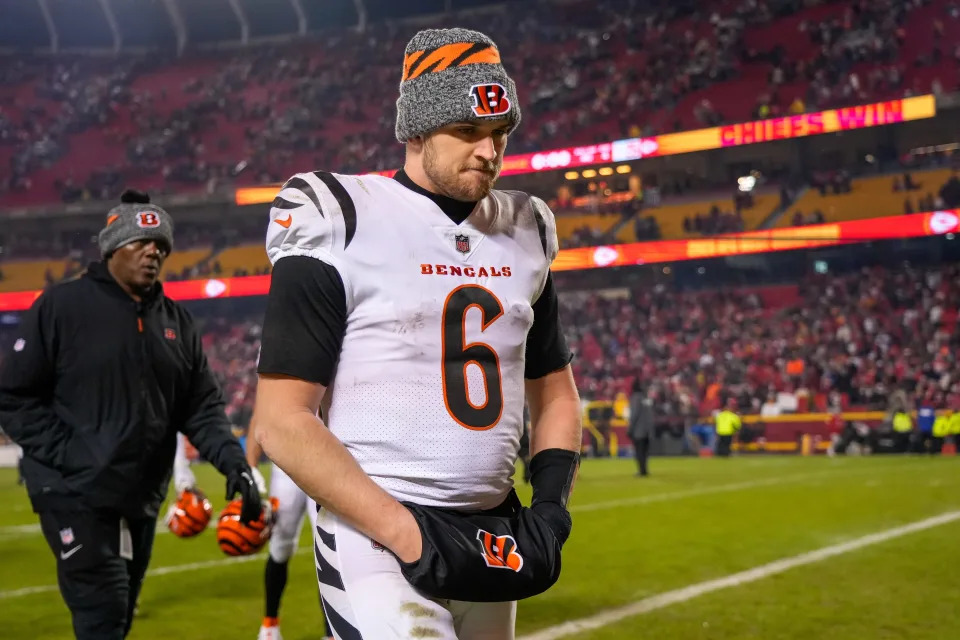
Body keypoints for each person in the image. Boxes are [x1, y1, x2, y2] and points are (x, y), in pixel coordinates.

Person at [253, 27, 582, 639]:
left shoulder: (526, 230)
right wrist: (406, 532)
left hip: (493, 531)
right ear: (417, 128)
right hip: (376, 533)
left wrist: (552, 511)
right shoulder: (340, 216)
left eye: (500, 133)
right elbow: (281, 420)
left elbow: (556, 393)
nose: (489, 150)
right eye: (467, 131)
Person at [0, 190, 263, 640]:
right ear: (112, 248)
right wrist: (72, 453)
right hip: (73, 493)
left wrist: (234, 464)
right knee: (102, 616)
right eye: (141, 243)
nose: (153, 252)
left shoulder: (176, 322)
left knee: (117, 617)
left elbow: (200, 406)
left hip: (140, 495)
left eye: (161, 245)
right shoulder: (63, 307)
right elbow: (13, 395)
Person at [245, 407, 333, 640]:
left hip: (328, 461)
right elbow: (262, 408)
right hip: (286, 463)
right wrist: (250, 469)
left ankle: (331, 632)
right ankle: (269, 626)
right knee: (280, 547)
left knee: (330, 550)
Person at [627, 381, 654, 476]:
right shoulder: (646, 398)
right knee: (645, 452)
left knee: (639, 451)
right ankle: (645, 469)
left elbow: (634, 414)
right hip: (647, 430)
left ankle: (642, 471)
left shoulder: (635, 398)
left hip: (638, 430)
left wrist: (630, 428)